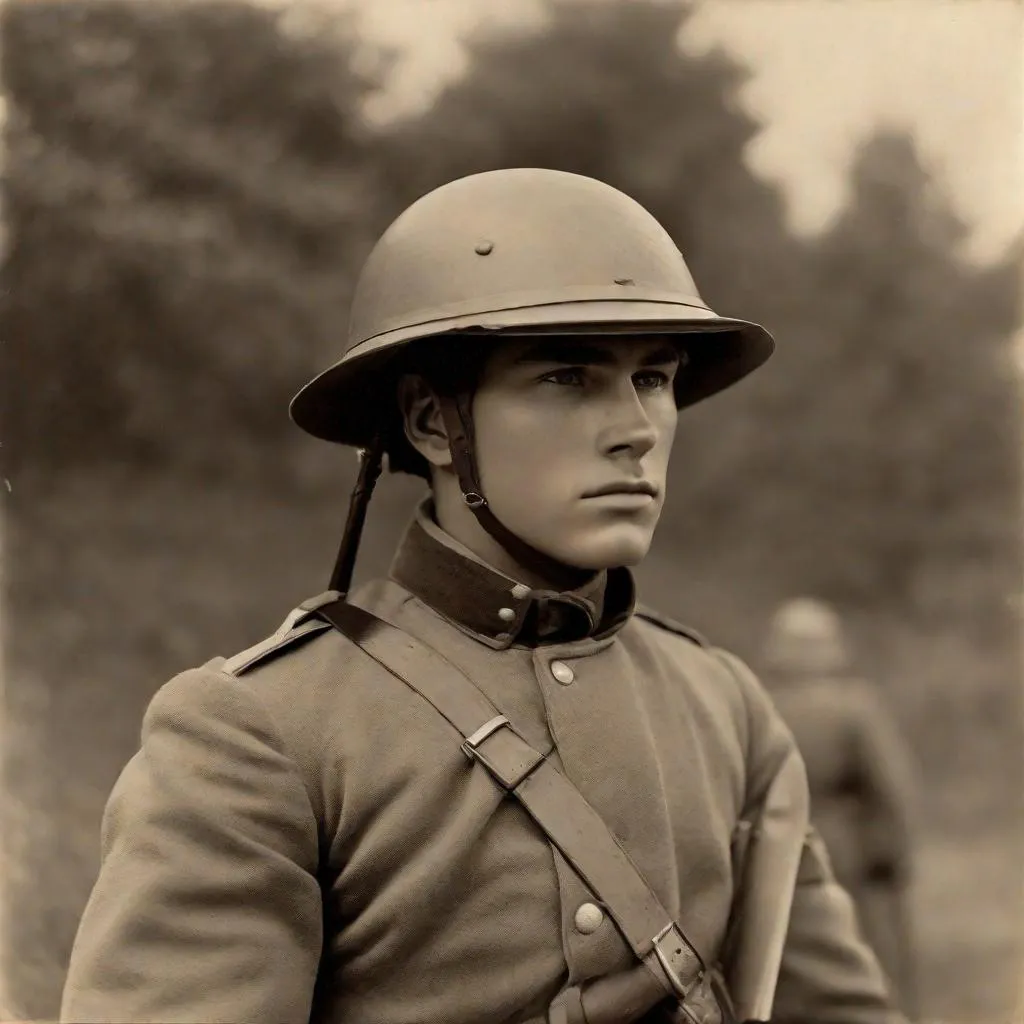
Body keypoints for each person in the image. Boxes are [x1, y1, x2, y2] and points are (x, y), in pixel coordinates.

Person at [60, 169, 905, 1024]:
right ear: (433, 424)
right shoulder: (260, 735)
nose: (637, 430)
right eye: (569, 378)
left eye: (654, 378)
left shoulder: (725, 707)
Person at [762, 598, 920, 1018]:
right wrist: (894, 851)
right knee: (865, 949)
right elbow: (890, 787)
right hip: (843, 845)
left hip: (774, 848)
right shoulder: (855, 705)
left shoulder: (759, 704)